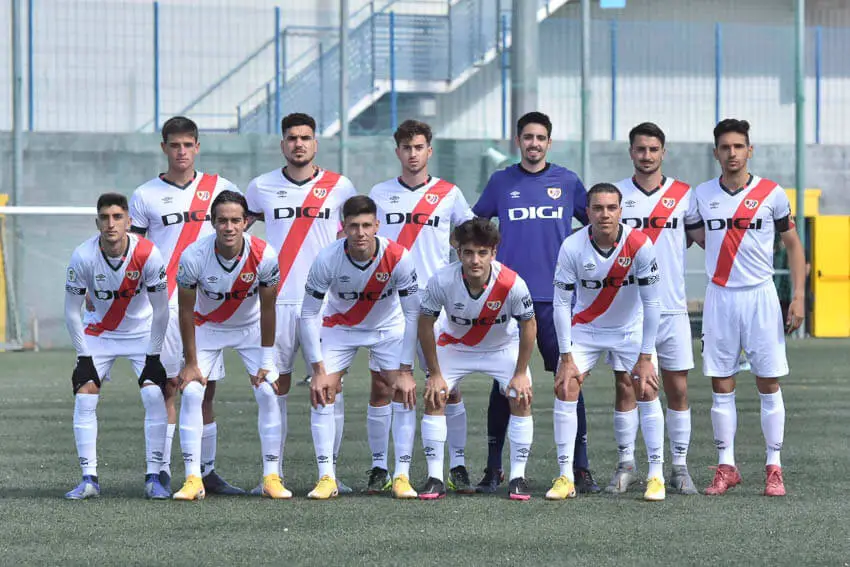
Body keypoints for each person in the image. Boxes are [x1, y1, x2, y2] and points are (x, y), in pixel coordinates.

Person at [473, 111, 598, 494]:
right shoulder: (501, 182)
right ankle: (494, 469)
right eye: (527, 137)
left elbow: (595, 223)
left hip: (555, 300)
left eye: (540, 137)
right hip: (507, 301)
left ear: (549, 142)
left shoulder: (568, 182)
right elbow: (477, 227)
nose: (534, 143)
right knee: (503, 385)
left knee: (568, 382)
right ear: (518, 141)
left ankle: (580, 467)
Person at [688, 119, 805, 497]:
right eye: (725, 147)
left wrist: (798, 297)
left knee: (768, 382)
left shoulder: (772, 193)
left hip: (760, 296)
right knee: (721, 383)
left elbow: (793, 245)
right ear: (716, 152)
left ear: (749, 150)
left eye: (739, 146)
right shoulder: (701, 195)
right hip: (721, 297)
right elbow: (693, 234)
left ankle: (774, 467)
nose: (732, 153)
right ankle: (727, 466)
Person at [129, 116, 243, 495]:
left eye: (187, 145)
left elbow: (234, 243)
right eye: (174, 145)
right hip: (162, 306)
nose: (181, 152)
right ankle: (160, 472)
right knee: (167, 387)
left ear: (197, 147)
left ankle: (205, 472)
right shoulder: (145, 195)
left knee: (205, 389)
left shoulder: (221, 189)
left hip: (206, 306)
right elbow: (137, 252)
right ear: (164, 148)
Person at [245, 112, 357, 494]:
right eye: (292, 138)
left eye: (305, 137)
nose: (298, 144)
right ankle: (271, 476)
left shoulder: (340, 187)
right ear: (282, 144)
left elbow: (351, 242)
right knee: (274, 388)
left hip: (324, 306)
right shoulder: (260, 187)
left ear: (315, 143)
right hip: (275, 303)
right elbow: (234, 233)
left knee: (328, 388)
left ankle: (330, 474)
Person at [367, 119, 475, 494]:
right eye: (406, 148)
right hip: (389, 305)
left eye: (419, 147)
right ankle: (381, 467)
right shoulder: (379, 194)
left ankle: (456, 465)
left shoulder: (449, 193)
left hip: (436, 306)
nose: (412, 154)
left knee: (446, 387)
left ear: (429, 150)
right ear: (397, 151)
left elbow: (471, 238)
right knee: (383, 386)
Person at [299, 195, 420, 500]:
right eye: (354, 226)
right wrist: (316, 368)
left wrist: (406, 370)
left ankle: (401, 476)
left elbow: (413, 313)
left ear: (377, 225)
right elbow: (309, 314)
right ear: (344, 228)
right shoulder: (327, 259)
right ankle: (327, 476)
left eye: (367, 225)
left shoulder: (398, 257)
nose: (361, 232)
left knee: (403, 391)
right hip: (341, 329)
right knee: (323, 390)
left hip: (387, 328)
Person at [550, 183, 665, 501]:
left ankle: (656, 475)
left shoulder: (640, 244)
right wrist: (565, 355)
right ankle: (565, 476)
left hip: (630, 330)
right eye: (597, 208)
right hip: (586, 330)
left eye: (611, 208)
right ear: (587, 212)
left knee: (647, 387)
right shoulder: (572, 246)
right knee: (566, 386)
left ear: (621, 211)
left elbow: (652, 303)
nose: (604, 214)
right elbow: (561, 303)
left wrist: (645, 356)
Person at [172, 191, 282, 500]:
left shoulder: (265, 255)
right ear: (212, 223)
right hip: (207, 328)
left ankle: (271, 477)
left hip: (249, 329)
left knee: (268, 391)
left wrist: (267, 359)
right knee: (193, 392)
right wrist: (191, 362)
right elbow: (184, 310)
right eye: (222, 221)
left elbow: (269, 308)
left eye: (236, 220)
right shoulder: (194, 256)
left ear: (247, 222)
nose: (229, 227)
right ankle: (194, 478)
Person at [610, 122, 701, 495]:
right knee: (626, 387)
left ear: (663, 152)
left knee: (677, 388)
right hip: (625, 311)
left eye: (653, 149)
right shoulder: (615, 194)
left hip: (672, 309)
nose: (646, 156)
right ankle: (626, 464)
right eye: (640, 149)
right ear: (631, 152)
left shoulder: (684, 194)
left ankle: (678, 466)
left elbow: (698, 239)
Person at [418, 219, 536, 501]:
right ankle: (435, 477)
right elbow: (424, 324)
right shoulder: (442, 280)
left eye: (482, 253)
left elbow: (529, 325)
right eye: (468, 252)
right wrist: (434, 372)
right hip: (455, 346)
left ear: (493, 253)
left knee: (521, 396)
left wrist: (520, 372)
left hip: (501, 348)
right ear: (458, 253)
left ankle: (518, 477)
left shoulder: (512, 282)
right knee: (436, 395)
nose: (475, 260)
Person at [63, 192, 170, 499]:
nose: (111, 224)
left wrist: (154, 354)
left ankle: (154, 479)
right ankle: (88, 479)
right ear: (97, 222)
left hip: (142, 332)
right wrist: (83, 357)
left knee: (153, 393)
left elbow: (162, 309)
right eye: (105, 218)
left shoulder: (148, 253)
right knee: (85, 395)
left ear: (129, 222)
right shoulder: (83, 256)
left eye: (117, 217)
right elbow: (71, 310)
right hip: (100, 333)